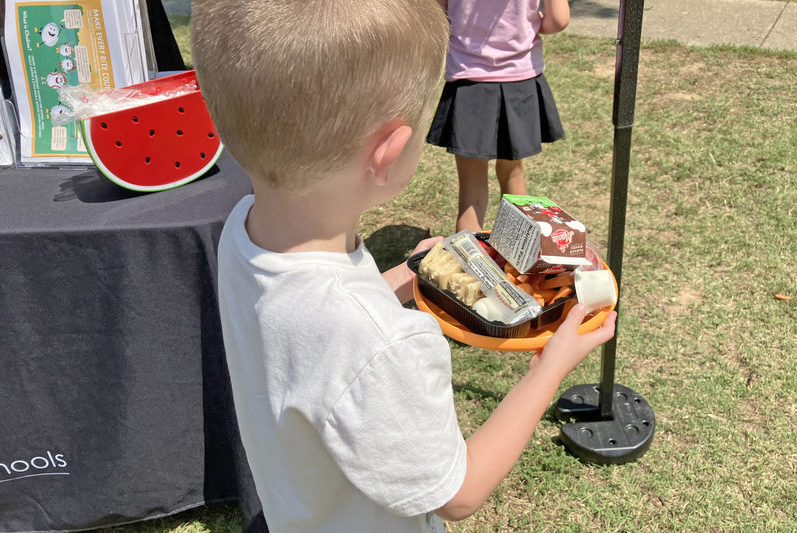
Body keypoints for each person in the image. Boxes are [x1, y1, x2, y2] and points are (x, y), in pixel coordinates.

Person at [191, 0, 615, 532]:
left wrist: (410, 273)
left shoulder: (244, 230)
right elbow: (456, 493)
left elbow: (312, 320)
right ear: (389, 151)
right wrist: (550, 365)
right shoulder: (382, 343)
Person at [427, 0, 571, 232]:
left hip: (468, 85)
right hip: (520, 83)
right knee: (513, 173)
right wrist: (530, 25)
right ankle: (516, 261)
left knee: (471, 193)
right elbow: (559, 20)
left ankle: (469, 264)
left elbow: (436, 13)